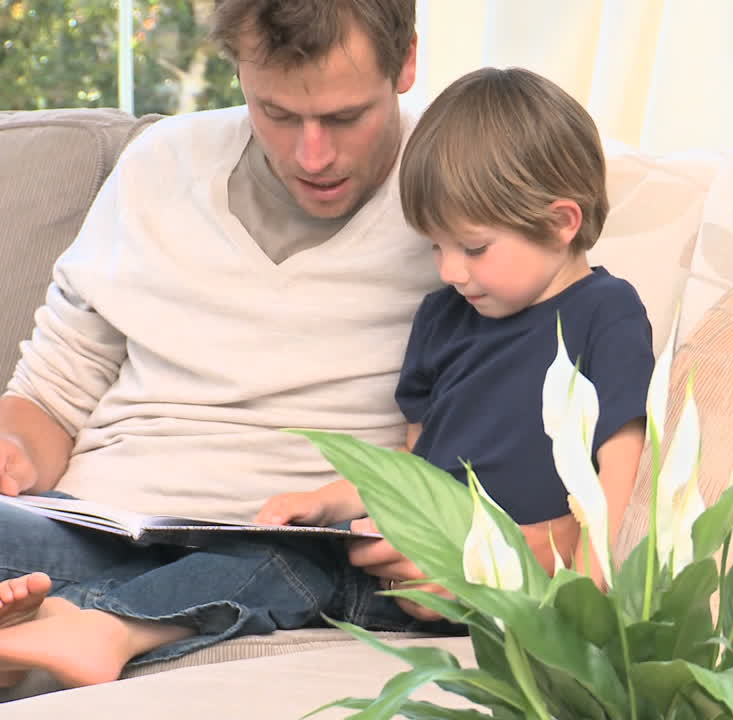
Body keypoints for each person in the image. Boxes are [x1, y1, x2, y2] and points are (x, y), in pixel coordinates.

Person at [0, 0, 448, 691]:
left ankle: (70, 627)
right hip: (97, 528)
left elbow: (503, 422)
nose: (313, 155)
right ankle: (46, 624)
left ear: (408, 61)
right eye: (277, 112)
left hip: (288, 551)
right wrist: (15, 452)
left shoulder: (461, 200)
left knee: (292, 566)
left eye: (343, 116)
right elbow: (50, 399)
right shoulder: (159, 166)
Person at [257, 66, 654, 591]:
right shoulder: (442, 318)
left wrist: (583, 607)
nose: (449, 271)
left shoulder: (608, 314)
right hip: (407, 569)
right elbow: (417, 466)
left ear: (562, 223)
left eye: (473, 248)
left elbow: (619, 477)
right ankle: (126, 621)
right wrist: (323, 501)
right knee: (274, 561)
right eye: (435, 246)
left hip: (512, 586)